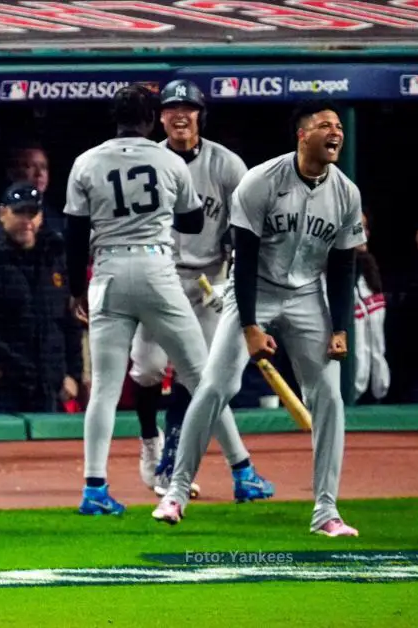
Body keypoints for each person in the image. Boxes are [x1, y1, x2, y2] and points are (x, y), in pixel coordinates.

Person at [153, 100, 365, 537]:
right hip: (255, 290)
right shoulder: (261, 180)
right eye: (325, 125)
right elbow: (244, 260)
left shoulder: (346, 192)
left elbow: (343, 266)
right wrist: (250, 326)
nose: (336, 132)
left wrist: (341, 327)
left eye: (340, 126)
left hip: (308, 296)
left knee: (328, 396)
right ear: (302, 134)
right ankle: (175, 491)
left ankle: (326, 511)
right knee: (215, 385)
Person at [63, 83, 268, 516]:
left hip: (109, 273)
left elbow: (75, 235)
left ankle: (94, 488)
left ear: (115, 117)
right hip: (159, 269)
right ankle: (243, 471)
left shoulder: (86, 161)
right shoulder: (168, 160)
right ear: (151, 116)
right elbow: (193, 221)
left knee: (103, 388)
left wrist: (77, 291)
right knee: (202, 377)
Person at [125, 80, 268, 501]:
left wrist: (232, 277)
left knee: (199, 375)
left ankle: (171, 460)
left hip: (210, 278)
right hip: (159, 274)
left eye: (189, 108)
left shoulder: (227, 165)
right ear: (160, 117)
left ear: (201, 114)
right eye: (172, 109)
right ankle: (150, 445)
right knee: (147, 369)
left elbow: (247, 229)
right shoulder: (145, 160)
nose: (180, 115)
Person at [0, 182, 81, 413]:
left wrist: (73, 373)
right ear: (2, 213)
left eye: (32, 213)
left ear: (41, 217)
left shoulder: (55, 254)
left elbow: (69, 320)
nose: (27, 220)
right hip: (0, 386)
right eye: (19, 212)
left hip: (48, 384)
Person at [353, 214, 388, 402]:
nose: (363, 233)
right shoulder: (325, 275)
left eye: (365, 227)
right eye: (357, 227)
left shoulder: (370, 270)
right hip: (348, 391)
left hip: (375, 393)